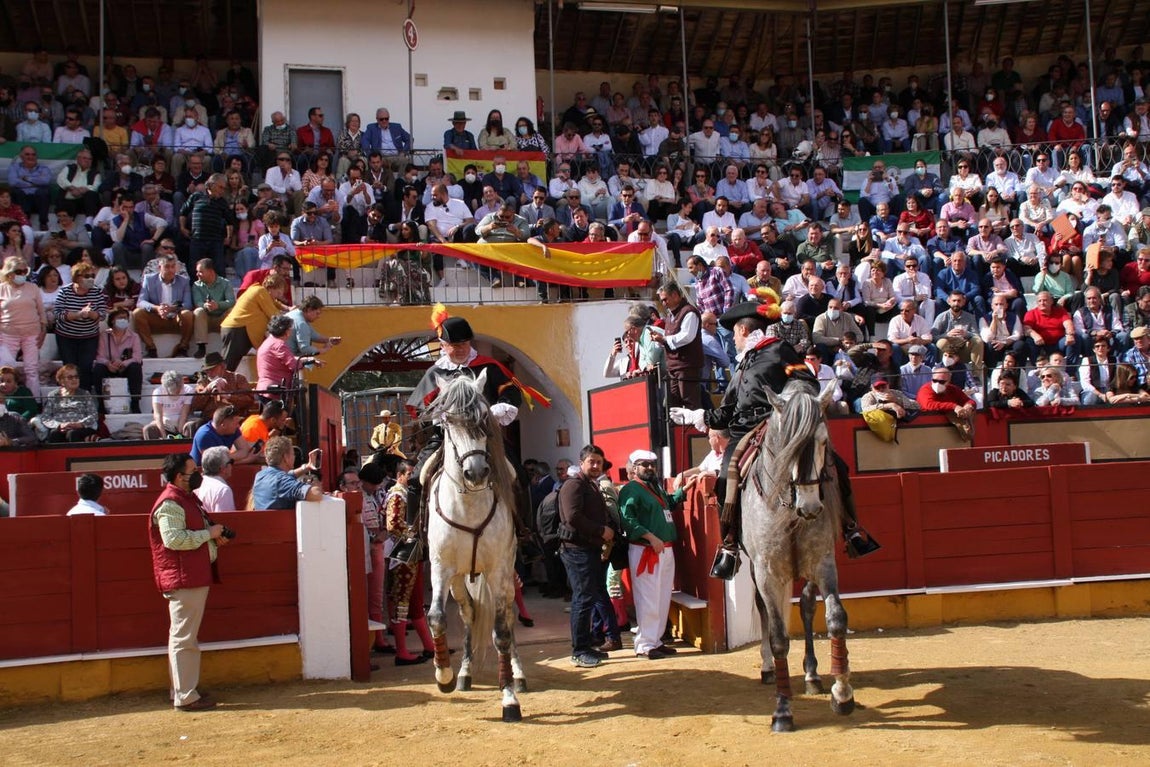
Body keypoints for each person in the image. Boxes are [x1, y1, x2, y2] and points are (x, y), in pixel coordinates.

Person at [670, 299, 879, 580]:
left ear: (744, 330)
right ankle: (730, 545)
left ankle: (852, 529)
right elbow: (729, 411)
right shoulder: (742, 365)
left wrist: (788, 400)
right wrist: (699, 416)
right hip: (745, 431)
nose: (732, 339)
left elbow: (808, 381)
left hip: (780, 424)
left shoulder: (778, 350)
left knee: (836, 465)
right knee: (724, 479)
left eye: (734, 333)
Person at [148, 452, 228, 711]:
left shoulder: (185, 498)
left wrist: (212, 536)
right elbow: (174, 540)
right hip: (185, 577)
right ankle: (185, 695)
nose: (197, 475)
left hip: (189, 574)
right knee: (184, 638)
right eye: (192, 471)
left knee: (182, 637)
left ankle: (181, 690)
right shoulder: (171, 503)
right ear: (178, 476)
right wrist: (208, 534)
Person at [618, 449, 685, 660]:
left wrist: (681, 492)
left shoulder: (655, 488)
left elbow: (668, 504)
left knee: (662, 596)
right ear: (634, 467)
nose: (649, 468)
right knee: (648, 597)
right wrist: (650, 537)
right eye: (644, 464)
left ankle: (655, 640)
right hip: (647, 549)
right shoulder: (631, 490)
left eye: (651, 464)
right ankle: (645, 645)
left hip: (664, 548)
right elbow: (627, 519)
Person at [558, 444, 619, 669]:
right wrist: (601, 531)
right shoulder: (574, 485)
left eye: (598, 462)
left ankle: (585, 646)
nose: (595, 465)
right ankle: (580, 650)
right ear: (581, 462)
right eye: (591, 461)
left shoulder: (589, 485)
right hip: (577, 550)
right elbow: (573, 516)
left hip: (588, 548)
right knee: (583, 599)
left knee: (587, 598)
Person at [382, 460, 435, 666]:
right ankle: (402, 653)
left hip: (411, 554)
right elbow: (393, 525)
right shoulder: (397, 494)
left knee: (414, 602)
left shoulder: (409, 493)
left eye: (414, 473)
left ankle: (429, 647)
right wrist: (414, 537)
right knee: (402, 603)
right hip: (402, 555)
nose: (412, 477)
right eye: (409, 473)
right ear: (399, 475)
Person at [647, 281, 704, 408]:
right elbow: (669, 341)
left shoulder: (689, 312)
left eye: (665, 299)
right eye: (662, 300)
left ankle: (694, 428)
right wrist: (660, 341)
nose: (663, 303)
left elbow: (687, 336)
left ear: (675, 295)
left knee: (689, 401)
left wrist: (665, 339)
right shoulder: (669, 317)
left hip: (687, 365)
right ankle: (678, 428)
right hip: (673, 367)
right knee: (673, 403)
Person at [53, 262, 107, 393]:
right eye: (86, 275)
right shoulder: (65, 291)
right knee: (69, 368)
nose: (90, 278)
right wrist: (78, 314)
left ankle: (85, 397)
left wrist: (92, 314)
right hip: (66, 337)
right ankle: (67, 394)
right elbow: (58, 314)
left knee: (85, 367)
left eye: (92, 275)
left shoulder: (97, 291)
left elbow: (102, 315)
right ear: (77, 277)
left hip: (89, 337)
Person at [220, 272, 287, 372]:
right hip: (237, 330)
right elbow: (274, 315)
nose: (277, 297)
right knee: (227, 365)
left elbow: (275, 303)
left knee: (230, 366)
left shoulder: (260, 292)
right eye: (278, 293)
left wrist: (287, 308)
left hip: (240, 330)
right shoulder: (260, 291)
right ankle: (215, 384)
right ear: (271, 288)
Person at [0, 255, 46, 400]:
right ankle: (4, 401)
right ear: (9, 273)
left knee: (31, 370)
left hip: (31, 333)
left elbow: (41, 310)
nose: (22, 274)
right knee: (5, 369)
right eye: (18, 271)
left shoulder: (33, 288)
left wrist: (43, 329)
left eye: (24, 271)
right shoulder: (1, 289)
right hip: (8, 333)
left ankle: (34, 402)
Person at [92, 308, 143, 414]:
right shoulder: (104, 336)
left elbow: (137, 357)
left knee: (135, 367)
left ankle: (135, 403)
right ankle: (102, 403)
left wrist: (123, 363)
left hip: (125, 368)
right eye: (120, 318)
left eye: (125, 318)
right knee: (98, 369)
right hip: (109, 367)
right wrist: (108, 364)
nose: (123, 320)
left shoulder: (134, 336)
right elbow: (99, 356)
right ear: (112, 320)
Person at [31, 364, 99, 443]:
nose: (74, 379)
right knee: (54, 434)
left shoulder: (85, 394)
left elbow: (93, 414)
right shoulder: (53, 395)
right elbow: (46, 417)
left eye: (76, 377)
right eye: (70, 377)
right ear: (61, 381)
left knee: (72, 434)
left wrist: (81, 424)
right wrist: (59, 425)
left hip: (82, 427)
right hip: (61, 426)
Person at [251, 436, 323, 510]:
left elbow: (287, 475)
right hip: (281, 521)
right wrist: (316, 484)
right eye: (293, 454)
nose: (294, 456)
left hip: (264, 520)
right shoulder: (282, 481)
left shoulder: (260, 475)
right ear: (286, 457)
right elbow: (316, 494)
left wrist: (307, 467)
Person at [916, 366, 976, 441]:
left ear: (948, 381)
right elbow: (929, 405)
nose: (937, 384)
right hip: (927, 428)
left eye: (942, 382)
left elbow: (969, 401)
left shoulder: (953, 389)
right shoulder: (925, 389)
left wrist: (968, 406)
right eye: (934, 380)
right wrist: (954, 406)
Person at [191, 259, 235, 360]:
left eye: (200, 271)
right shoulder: (196, 285)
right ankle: (201, 347)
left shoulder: (225, 283)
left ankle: (230, 345)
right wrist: (206, 305)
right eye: (197, 271)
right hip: (206, 318)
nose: (198, 274)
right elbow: (197, 302)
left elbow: (231, 301)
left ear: (211, 271)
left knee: (232, 310)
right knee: (198, 311)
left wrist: (218, 305)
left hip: (222, 318)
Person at [195, 445, 236, 513]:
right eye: (230, 462)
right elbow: (225, 520)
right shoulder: (223, 490)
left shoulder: (197, 485)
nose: (232, 465)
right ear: (222, 468)